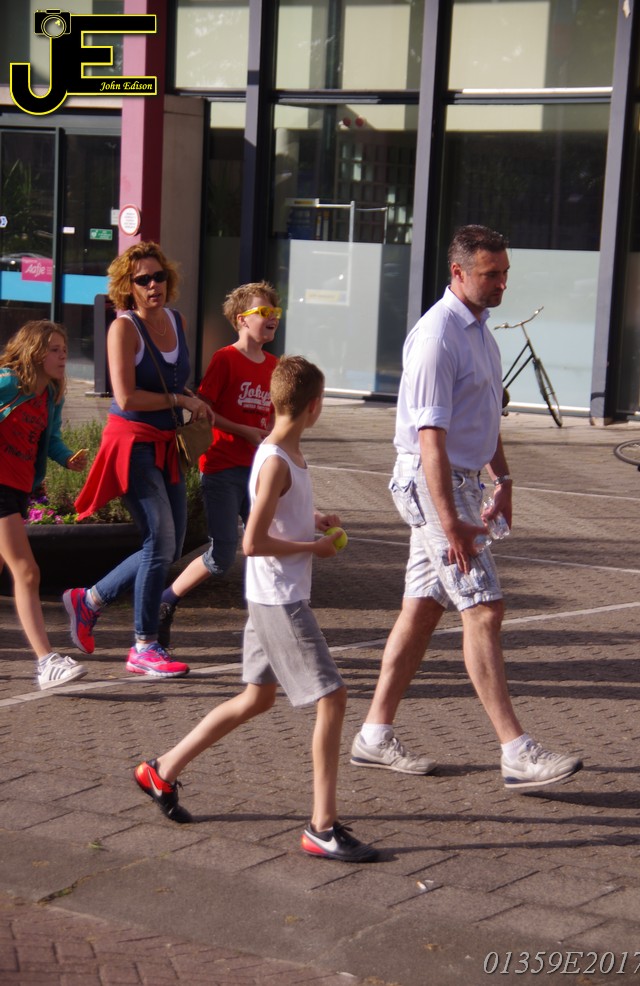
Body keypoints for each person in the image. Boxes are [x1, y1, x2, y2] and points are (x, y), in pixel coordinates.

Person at [350, 224, 583, 791]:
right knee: (483, 608)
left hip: (461, 482)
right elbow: (429, 437)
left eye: (504, 273)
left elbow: (485, 415)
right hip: (433, 482)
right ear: (458, 273)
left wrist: (502, 478)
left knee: (423, 609)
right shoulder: (437, 337)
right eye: (490, 274)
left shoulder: (481, 331)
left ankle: (373, 736)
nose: (502, 283)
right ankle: (516, 752)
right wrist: (449, 518)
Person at [134, 355, 378, 863]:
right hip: (279, 601)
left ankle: (161, 769)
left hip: (271, 598)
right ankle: (321, 827)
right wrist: (315, 548)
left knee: (256, 699)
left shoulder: (282, 451)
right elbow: (252, 542)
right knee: (333, 697)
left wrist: (314, 518)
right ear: (315, 406)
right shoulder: (276, 459)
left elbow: (277, 511)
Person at [62, 241, 213, 678]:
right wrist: (180, 399)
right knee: (160, 540)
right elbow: (126, 396)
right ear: (128, 287)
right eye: (142, 279)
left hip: (168, 443)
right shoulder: (123, 328)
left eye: (158, 276)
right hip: (132, 444)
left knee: (171, 542)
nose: (153, 285)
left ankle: (89, 600)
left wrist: (193, 400)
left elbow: (174, 381)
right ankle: (144, 646)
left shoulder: (177, 320)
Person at [157, 281, 280, 648]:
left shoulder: (274, 365)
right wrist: (243, 430)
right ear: (241, 319)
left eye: (275, 312)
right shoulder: (225, 359)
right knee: (223, 555)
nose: (272, 318)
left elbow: (274, 419)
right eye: (264, 312)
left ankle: (273, 621)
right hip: (223, 469)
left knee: (267, 545)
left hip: (258, 470)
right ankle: (166, 600)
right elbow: (204, 411)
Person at [0, 320, 88, 690]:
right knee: (27, 572)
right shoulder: (8, 382)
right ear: (34, 352)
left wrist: (67, 458)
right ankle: (46, 661)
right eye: (54, 349)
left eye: (64, 349)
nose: (63, 355)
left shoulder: (51, 394)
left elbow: (50, 439)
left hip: (18, 488)